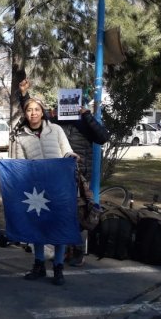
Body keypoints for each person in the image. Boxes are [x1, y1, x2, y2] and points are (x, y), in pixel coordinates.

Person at [15, 97, 79, 286]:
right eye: (29, 110)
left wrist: (71, 156)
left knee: (59, 225)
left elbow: (66, 151)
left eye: (36, 109)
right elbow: (21, 165)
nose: (33, 113)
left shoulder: (56, 130)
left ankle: (58, 267)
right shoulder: (21, 136)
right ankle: (39, 264)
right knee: (39, 227)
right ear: (25, 114)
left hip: (58, 186)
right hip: (37, 189)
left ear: (42, 112)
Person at [51, 105, 109, 267]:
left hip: (80, 175)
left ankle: (77, 251)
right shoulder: (56, 123)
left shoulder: (85, 122)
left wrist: (87, 116)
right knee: (62, 214)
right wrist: (53, 116)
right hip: (60, 174)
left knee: (79, 213)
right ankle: (65, 250)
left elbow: (103, 137)